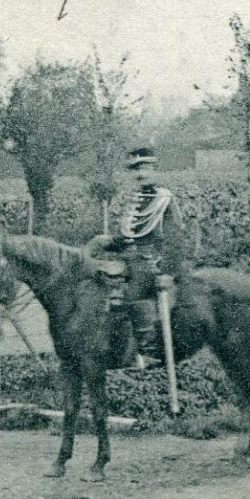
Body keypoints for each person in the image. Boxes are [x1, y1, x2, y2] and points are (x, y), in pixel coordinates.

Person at [88, 145, 182, 369]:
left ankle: (148, 354)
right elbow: (125, 237)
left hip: (149, 260)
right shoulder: (130, 199)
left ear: (154, 169)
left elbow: (175, 240)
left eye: (145, 168)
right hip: (124, 259)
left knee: (133, 294)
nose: (140, 174)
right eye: (135, 169)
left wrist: (168, 271)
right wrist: (104, 241)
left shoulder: (164, 199)